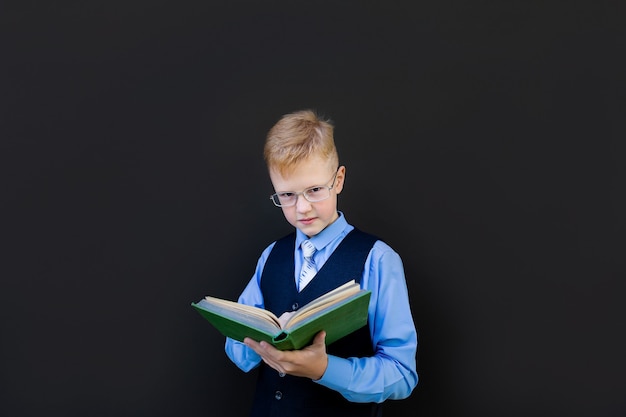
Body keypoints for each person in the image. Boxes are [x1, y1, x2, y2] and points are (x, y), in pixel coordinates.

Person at [225, 109, 418, 417]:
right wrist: (257, 340)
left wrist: (325, 368)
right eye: (286, 195)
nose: (302, 208)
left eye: (314, 190)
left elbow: (402, 375)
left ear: (338, 180)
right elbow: (237, 353)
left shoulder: (378, 260)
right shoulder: (271, 256)